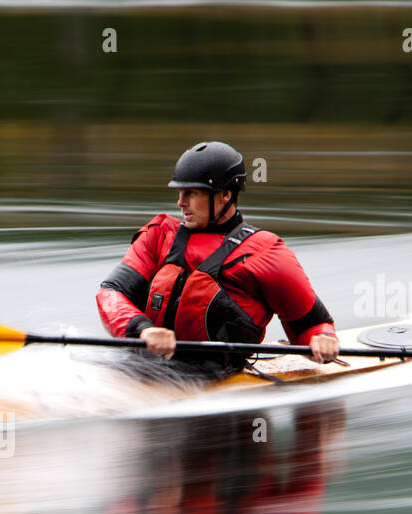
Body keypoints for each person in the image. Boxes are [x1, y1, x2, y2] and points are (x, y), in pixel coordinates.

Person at [96, 141, 339, 380]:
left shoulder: (267, 254)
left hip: (210, 375)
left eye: (191, 193)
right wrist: (143, 329)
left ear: (225, 195)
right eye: (180, 193)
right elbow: (111, 293)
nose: (180, 203)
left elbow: (312, 324)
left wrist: (323, 339)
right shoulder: (158, 235)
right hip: (137, 364)